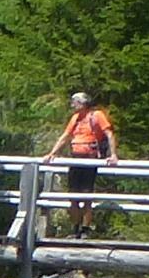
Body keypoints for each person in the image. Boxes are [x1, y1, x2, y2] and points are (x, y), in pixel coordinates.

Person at [36, 88, 117, 232]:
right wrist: (52, 153)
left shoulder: (96, 115)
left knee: (86, 194)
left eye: (75, 102)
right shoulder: (75, 118)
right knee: (73, 195)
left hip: (90, 158)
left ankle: (85, 229)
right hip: (76, 158)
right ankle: (75, 229)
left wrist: (113, 155)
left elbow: (109, 134)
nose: (73, 105)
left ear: (83, 103)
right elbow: (65, 136)